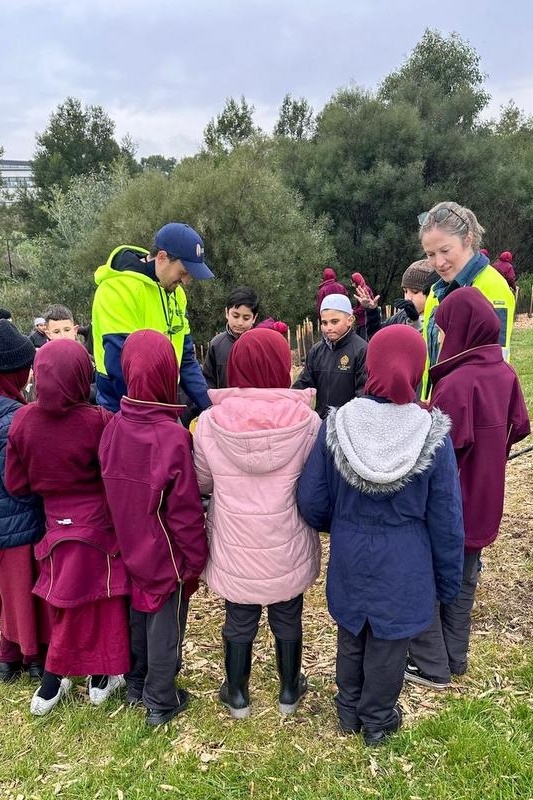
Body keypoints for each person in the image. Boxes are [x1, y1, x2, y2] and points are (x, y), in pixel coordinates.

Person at [297, 325, 465, 746]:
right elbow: (446, 519)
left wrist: (342, 524)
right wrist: (448, 581)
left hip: (352, 550)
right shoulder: (431, 434)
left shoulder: (339, 423)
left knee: (352, 630)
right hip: (405, 558)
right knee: (390, 641)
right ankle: (377, 718)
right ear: (417, 366)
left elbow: (312, 499)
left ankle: (348, 710)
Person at [193, 328, 321, 719]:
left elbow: (203, 482)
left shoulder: (211, 423)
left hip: (236, 541)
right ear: (284, 366)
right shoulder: (308, 421)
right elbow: (314, 483)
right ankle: (288, 691)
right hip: (288, 538)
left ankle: (236, 694)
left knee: (239, 616)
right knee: (288, 613)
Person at [406, 288, 530, 689]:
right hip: (485, 495)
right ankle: (456, 657)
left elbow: (438, 450)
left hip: (451, 502)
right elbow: (519, 426)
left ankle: (432, 664)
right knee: (465, 578)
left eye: (443, 330)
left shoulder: (457, 383)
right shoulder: (505, 373)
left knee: (434, 580)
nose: (440, 338)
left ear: (462, 329)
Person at [5, 340, 130, 715]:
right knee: (102, 601)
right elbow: (112, 474)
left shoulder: (23, 420)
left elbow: (16, 482)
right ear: (81, 374)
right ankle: (91, 674)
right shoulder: (99, 420)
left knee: (64, 601)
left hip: (52, 526)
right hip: (97, 525)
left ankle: (61, 679)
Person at [99, 330, 208, 727]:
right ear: (168, 372)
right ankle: (161, 698)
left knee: (138, 612)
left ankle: (136, 682)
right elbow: (185, 512)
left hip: (128, 543)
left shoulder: (112, 428)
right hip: (165, 552)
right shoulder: (174, 438)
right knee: (166, 619)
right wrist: (195, 557)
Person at [92, 222, 214, 412]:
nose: (185, 281)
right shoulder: (117, 289)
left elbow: (186, 356)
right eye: (183, 272)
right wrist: (156, 416)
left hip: (164, 399)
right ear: (162, 257)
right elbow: (119, 366)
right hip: (122, 405)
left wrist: (210, 407)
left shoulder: (176, 293)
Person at [418, 201, 515, 400]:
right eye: (430, 254)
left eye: (445, 251)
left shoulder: (492, 287)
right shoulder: (436, 292)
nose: (438, 262)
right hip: (439, 404)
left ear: (468, 240)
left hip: (474, 408)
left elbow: (497, 360)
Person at [0, 321, 49, 683]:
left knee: (5, 594)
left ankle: (6, 653)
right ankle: (32, 657)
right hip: (17, 519)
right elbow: (18, 480)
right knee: (22, 592)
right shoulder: (15, 417)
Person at [293, 294, 367, 418]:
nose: (329, 328)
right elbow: (303, 385)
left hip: (348, 425)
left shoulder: (361, 350)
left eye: (334, 322)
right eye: (324, 323)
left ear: (350, 320)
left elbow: (363, 394)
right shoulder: (316, 351)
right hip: (321, 424)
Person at [361, 260, 439, 339]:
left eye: (415, 292)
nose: (408, 297)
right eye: (405, 291)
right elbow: (377, 338)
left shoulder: (438, 317)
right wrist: (372, 312)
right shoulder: (402, 315)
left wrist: (415, 321)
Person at [203, 287, 259, 389]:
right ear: (227, 313)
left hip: (253, 403)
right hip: (224, 403)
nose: (240, 323)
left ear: (254, 318)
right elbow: (208, 380)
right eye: (235, 316)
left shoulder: (260, 345)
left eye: (246, 318)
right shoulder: (216, 344)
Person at [350, 272, 374, 339]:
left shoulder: (364, 290)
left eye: (353, 282)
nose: (352, 285)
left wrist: (354, 312)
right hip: (362, 321)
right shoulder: (361, 289)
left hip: (365, 321)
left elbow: (363, 307)